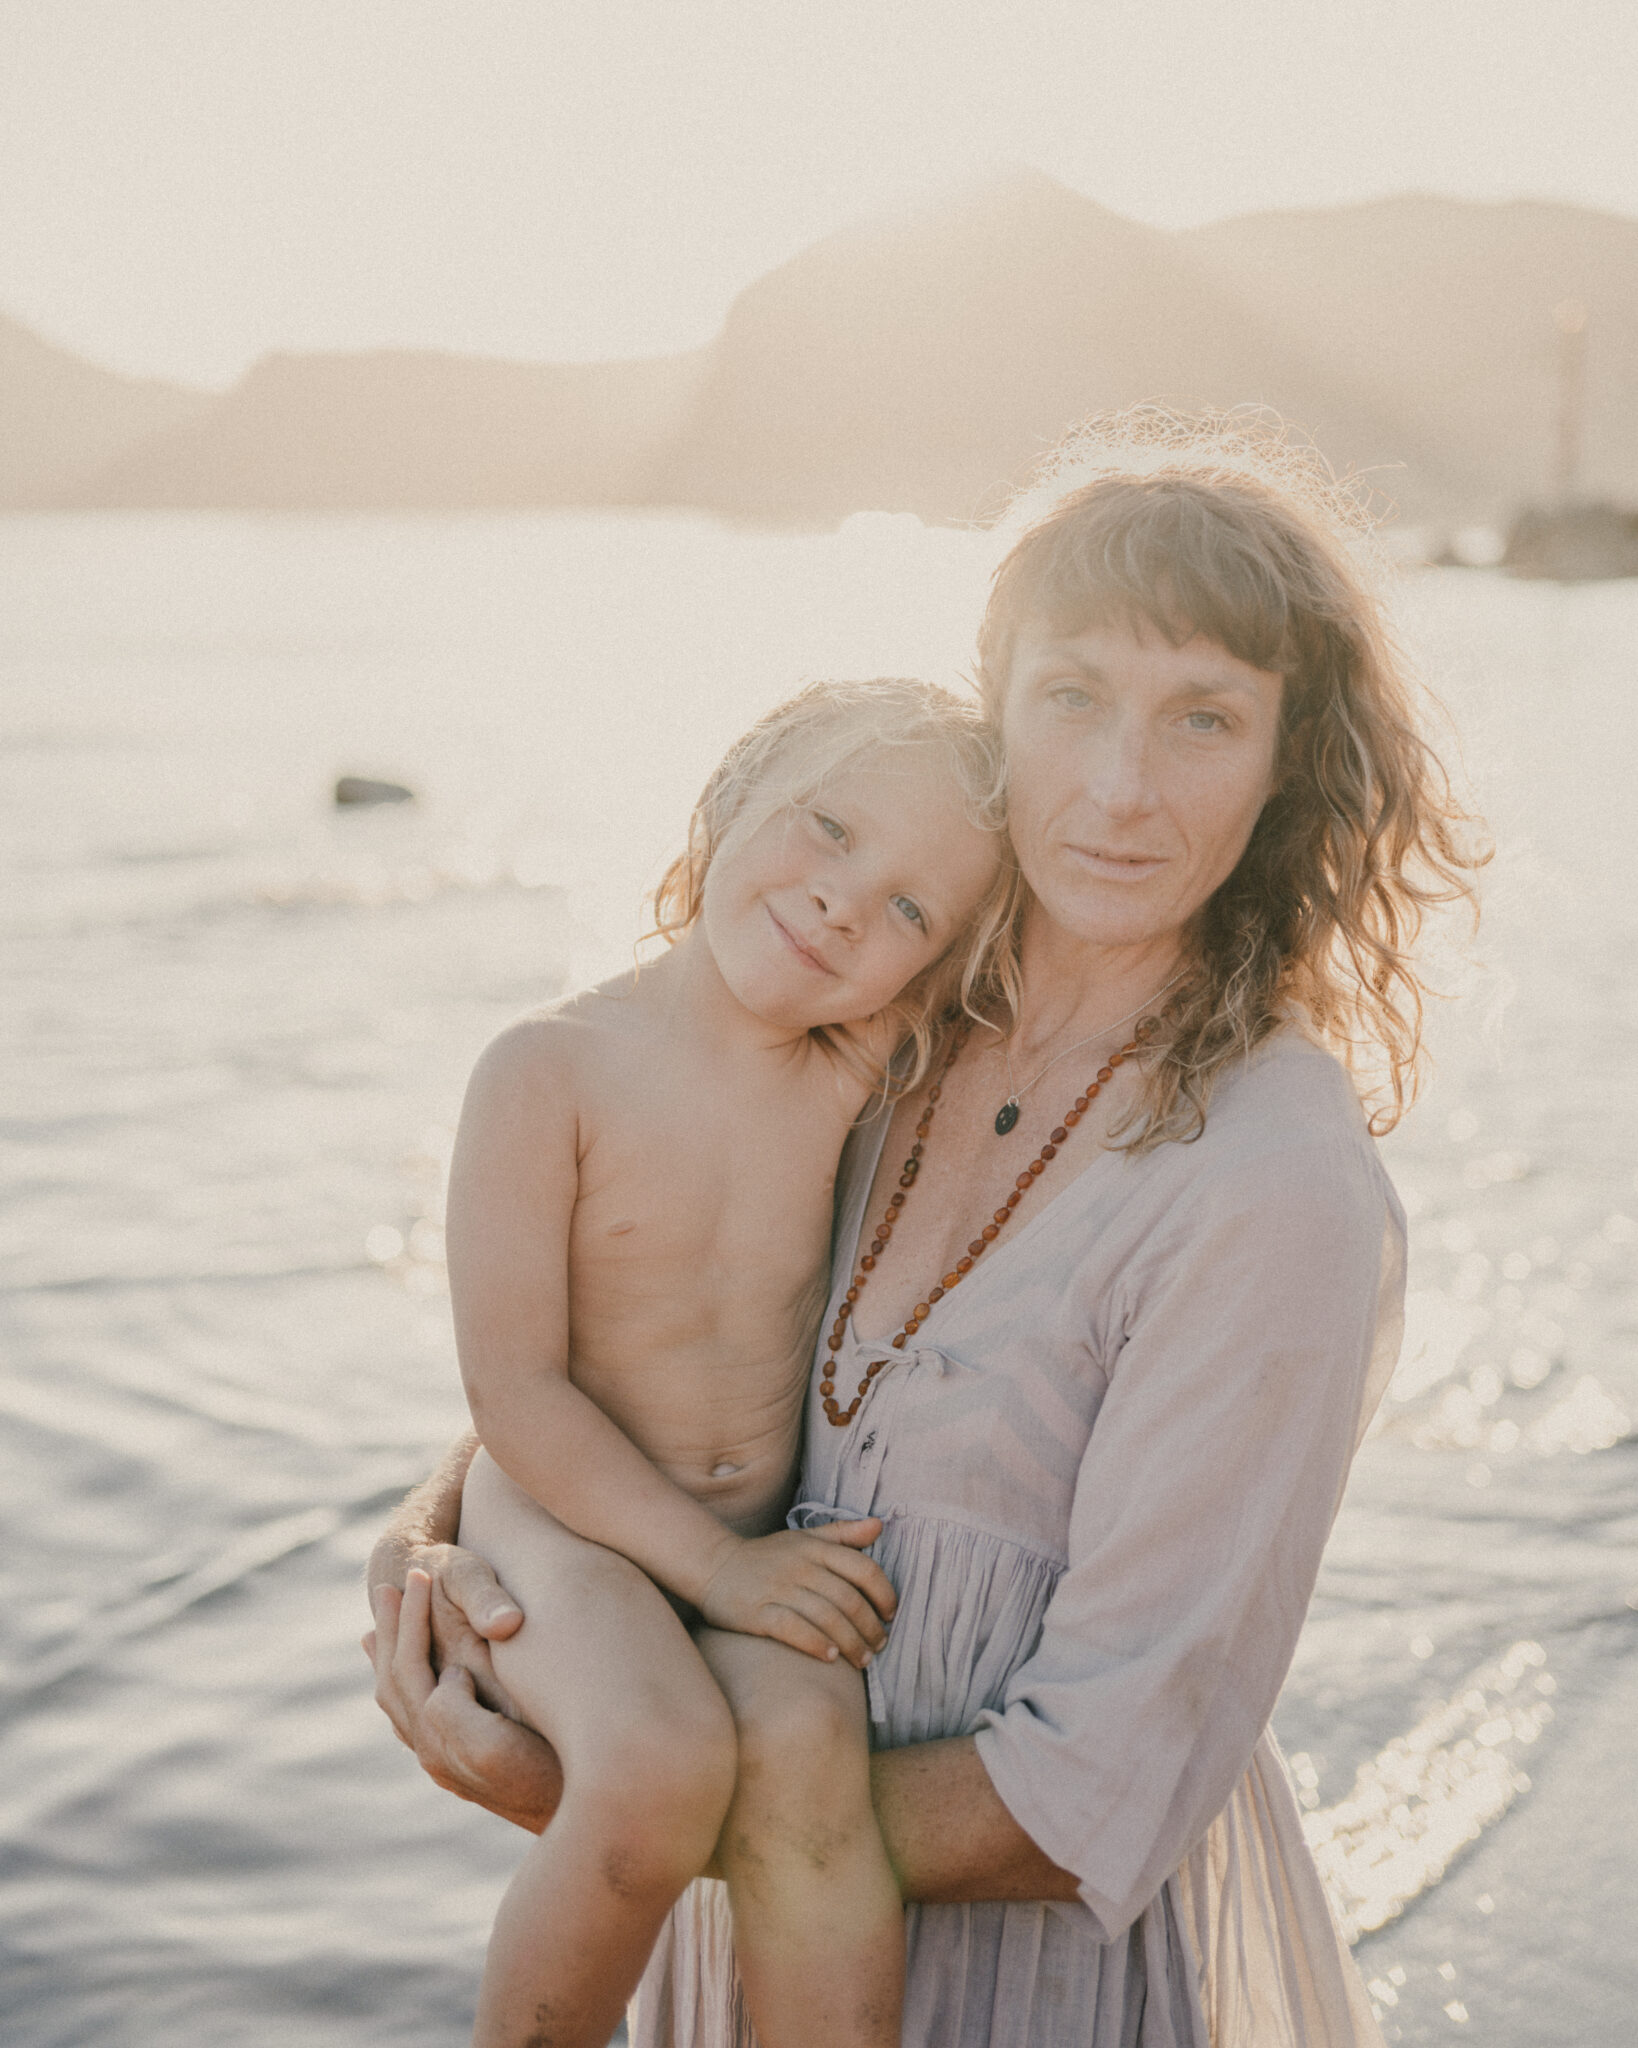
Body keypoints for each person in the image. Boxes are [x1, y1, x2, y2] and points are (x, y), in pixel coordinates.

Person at [367, 411, 1483, 2048]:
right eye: (1072, 696)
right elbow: (595, 1359)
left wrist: (613, 1796)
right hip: (728, 1928)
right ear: (993, 710)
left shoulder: (1268, 1181)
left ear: (1285, 764)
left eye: (1202, 718)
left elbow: (1090, 1788)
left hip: (1016, 1979)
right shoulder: (866, 1030)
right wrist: (427, 1559)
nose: (1118, 787)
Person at [428, 676, 1009, 2048]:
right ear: (733, 791)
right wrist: (716, 1569)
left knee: (814, 1768)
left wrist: (739, 1569)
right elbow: (512, 1389)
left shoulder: (851, 1073)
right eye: (828, 827)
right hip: (565, 1524)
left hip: (751, 1545)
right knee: (657, 1762)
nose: (844, 902)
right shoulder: (547, 1070)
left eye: (909, 909)